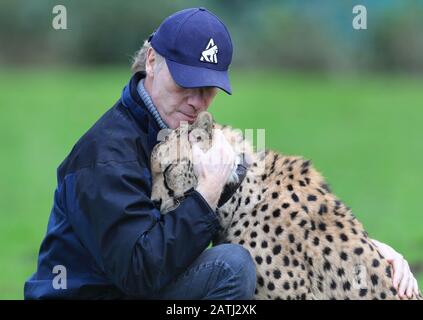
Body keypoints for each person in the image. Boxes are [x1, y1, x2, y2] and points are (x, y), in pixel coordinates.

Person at [24, 7, 418, 300]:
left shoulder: (174, 128)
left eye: (208, 87)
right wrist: (206, 194)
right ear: (151, 62)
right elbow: (141, 271)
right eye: (186, 83)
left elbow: (260, 203)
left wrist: (358, 251)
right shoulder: (106, 153)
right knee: (231, 267)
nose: (197, 101)